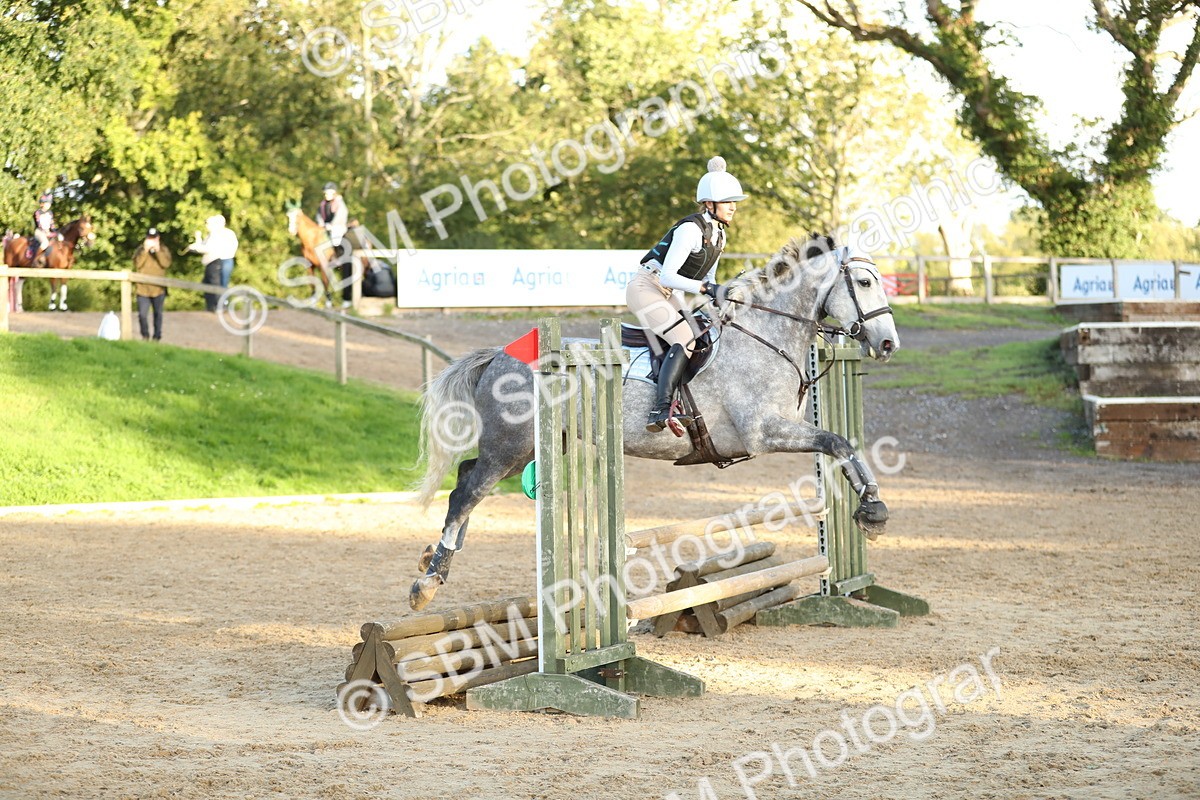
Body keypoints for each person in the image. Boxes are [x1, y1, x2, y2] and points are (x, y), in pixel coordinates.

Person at [628, 156, 746, 433]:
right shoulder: (690, 229)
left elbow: (709, 280)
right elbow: (669, 275)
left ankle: (680, 400)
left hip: (668, 293)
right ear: (709, 204)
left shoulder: (719, 235)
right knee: (684, 336)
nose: (733, 207)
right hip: (647, 287)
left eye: (734, 202)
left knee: (704, 332)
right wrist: (709, 290)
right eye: (727, 201)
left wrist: (723, 306)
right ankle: (659, 408)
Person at [186, 215, 239, 312]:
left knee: (221, 284)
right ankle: (213, 306)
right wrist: (198, 239)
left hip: (222, 260)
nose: (207, 225)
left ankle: (222, 305)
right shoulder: (212, 234)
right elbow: (203, 246)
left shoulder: (223, 233)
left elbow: (207, 248)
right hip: (215, 261)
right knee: (211, 283)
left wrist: (196, 247)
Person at [133, 227, 173, 341]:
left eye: (154, 238)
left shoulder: (164, 250)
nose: (152, 240)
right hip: (143, 289)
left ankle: (157, 336)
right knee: (142, 315)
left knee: (158, 314)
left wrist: (158, 251)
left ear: (158, 238)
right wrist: (145, 251)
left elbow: (166, 264)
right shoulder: (140, 250)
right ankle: (145, 335)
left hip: (158, 289)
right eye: (149, 238)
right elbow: (137, 264)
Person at [316, 182, 352, 306]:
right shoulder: (323, 205)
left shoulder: (340, 204)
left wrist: (331, 225)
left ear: (334, 192)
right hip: (326, 229)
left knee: (337, 238)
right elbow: (319, 216)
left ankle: (338, 256)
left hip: (337, 229)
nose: (326, 195)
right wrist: (321, 224)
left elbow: (340, 217)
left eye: (328, 192)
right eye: (325, 193)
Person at [31, 192, 56, 266]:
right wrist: (46, 232)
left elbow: (52, 224)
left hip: (48, 232)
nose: (49, 205)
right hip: (40, 232)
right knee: (45, 243)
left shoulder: (50, 213)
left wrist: (55, 232)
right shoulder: (38, 212)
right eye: (47, 203)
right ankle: (36, 258)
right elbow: (39, 224)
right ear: (42, 204)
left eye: (49, 203)